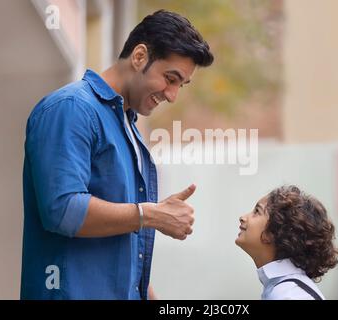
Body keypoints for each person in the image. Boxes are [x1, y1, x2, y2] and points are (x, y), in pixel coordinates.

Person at [21, 10, 213, 300]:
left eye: (180, 85)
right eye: (170, 78)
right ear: (139, 57)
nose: (172, 95)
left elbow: (123, 246)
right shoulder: (71, 108)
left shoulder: (127, 128)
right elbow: (62, 210)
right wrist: (151, 215)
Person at [235, 185, 338, 300]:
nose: (243, 217)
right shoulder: (283, 288)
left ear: (274, 231)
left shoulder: (289, 294)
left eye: (257, 211)